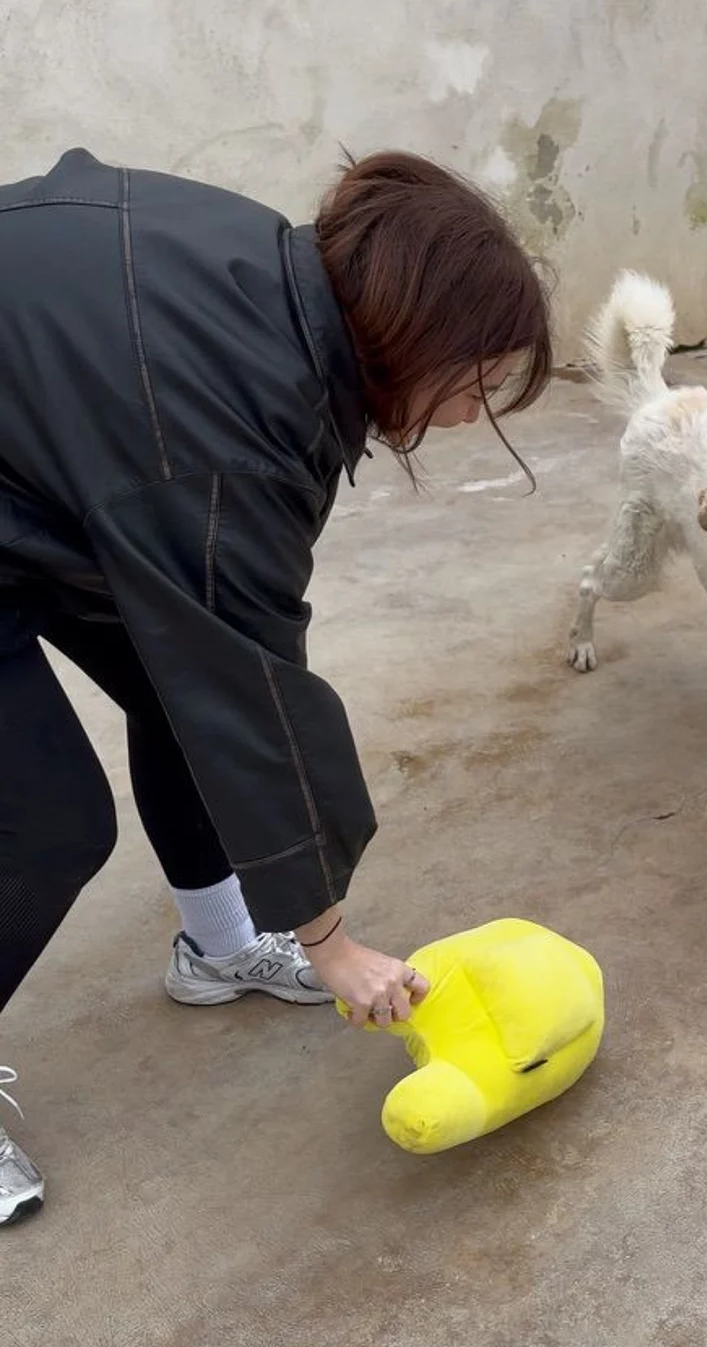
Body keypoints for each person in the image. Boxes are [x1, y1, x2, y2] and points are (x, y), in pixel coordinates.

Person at [0, 146, 552, 1222]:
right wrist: (331, 940)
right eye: (474, 387)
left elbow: (207, 655)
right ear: (413, 333)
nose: (457, 419)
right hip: (37, 475)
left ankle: (218, 948)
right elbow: (252, 686)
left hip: (43, 467)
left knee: (174, 672)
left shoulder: (277, 280)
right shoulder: (229, 439)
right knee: (48, 820)